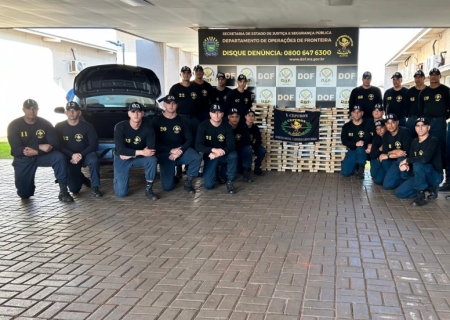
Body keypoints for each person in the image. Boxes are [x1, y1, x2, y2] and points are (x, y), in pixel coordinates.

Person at [7, 99, 73, 202]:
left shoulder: (45, 124)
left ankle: (63, 191)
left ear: (38, 109)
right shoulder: (14, 125)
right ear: (23, 110)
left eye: (34, 108)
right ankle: (28, 185)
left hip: (42, 156)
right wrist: (38, 147)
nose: (31, 111)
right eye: (28, 108)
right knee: (24, 194)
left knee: (58, 157)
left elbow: (55, 144)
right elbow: (16, 149)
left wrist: (38, 152)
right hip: (24, 158)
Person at [152, 95, 202, 193]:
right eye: (169, 103)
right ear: (164, 104)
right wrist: (170, 150)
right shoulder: (156, 121)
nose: (171, 105)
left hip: (180, 152)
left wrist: (181, 150)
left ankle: (188, 183)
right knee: (167, 188)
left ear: (177, 105)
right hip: (165, 154)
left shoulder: (182, 121)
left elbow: (190, 139)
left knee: (196, 157)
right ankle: (172, 178)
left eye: (174, 103)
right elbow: (153, 142)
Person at [55, 101, 102, 197]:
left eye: (74, 110)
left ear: (79, 112)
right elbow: (57, 145)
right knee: (74, 189)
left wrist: (80, 154)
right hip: (69, 157)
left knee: (93, 160)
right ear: (65, 112)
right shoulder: (59, 127)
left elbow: (93, 145)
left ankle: (95, 187)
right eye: (69, 110)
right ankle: (82, 178)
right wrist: (72, 155)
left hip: (85, 154)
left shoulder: (88, 126)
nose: (72, 112)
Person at [113, 102, 158, 200]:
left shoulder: (148, 128)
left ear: (143, 113)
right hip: (122, 159)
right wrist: (141, 152)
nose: (136, 114)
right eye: (133, 112)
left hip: (134, 157)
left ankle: (149, 188)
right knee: (121, 193)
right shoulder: (120, 127)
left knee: (152, 159)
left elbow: (151, 150)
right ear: (128, 113)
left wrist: (130, 154)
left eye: (138, 112)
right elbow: (121, 150)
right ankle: (119, 179)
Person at [395, 117, 443, 206]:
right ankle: (427, 188)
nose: (420, 128)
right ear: (415, 128)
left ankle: (421, 196)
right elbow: (412, 159)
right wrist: (407, 166)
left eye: (423, 126)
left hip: (434, 176)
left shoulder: (433, 140)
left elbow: (425, 159)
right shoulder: (414, 141)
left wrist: (407, 160)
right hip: (420, 175)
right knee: (399, 193)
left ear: (428, 127)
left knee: (418, 164)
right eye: (417, 126)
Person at [419, 68, 450, 192]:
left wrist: (442, 118)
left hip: (439, 123)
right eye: (431, 75)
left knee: (442, 150)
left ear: (439, 76)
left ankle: (446, 179)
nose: (433, 77)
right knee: (426, 148)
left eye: (436, 75)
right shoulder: (424, 92)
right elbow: (420, 109)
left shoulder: (446, 90)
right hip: (427, 123)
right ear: (429, 77)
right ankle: (428, 178)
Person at [196, 104, 238, 193]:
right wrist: (213, 150)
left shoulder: (227, 127)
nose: (217, 115)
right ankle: (216, 173)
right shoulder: (203, 126)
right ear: (210, 114)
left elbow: (231, 145)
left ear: (222, 114)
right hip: (210, 156)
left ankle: (230, 181)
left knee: (233, 155)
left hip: (223, 154)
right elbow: (198, 145)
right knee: (209, 186)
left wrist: (219, 153)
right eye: (214, 112)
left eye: (219, 112)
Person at [168, 66, 200, 178]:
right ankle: (178, 170)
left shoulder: (195, 88)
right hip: (180, 118)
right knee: (179, 141)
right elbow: (170, 104)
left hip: (194, 119)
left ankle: (189, 167)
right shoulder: (175, 88)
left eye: (188, 73)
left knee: (194, 142)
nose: (186, 74)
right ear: (181, 75)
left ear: (191, 74)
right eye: (184, 73)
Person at [379, 114, 413, 190]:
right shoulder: (386, 135)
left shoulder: (405, 132)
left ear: (397, 122)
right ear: (385, 124)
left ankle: (407, 179)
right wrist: (395, 151)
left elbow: (404, 153)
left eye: (393, 122)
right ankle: (399, 180)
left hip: (406, 162)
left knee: (401, 159)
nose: (390, 125)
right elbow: (385, 152)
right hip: (394, 163)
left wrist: (389, 155)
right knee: (387, 186)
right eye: (388, 123)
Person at [340, 105, 366, 179]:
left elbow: (371, 139)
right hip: (352, 151)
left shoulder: (367, 125)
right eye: (354, 112)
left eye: (359, 112)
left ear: (362, 113)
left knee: (360, 148)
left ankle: (361, 171)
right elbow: (344, 141)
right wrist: (355, 144)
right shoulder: (346, 126)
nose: (356, 114)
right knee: (345, 173)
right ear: (352, 113)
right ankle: (354, 165)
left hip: (365, 151)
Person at [227, 108, 253, 182]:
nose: (235, 119)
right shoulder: (224, 125)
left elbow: (247, 140)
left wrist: (236, 147)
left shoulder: (243, 125)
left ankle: (246, 172)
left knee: (248, 149)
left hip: (239, 148)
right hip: (228, 151)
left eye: (236, 117)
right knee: (226, 176)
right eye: (232, 117)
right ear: (228, 117)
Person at [405, 70, 427, 138]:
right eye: (416, 77)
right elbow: (406, 105)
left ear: (424, 78)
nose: (418, 79)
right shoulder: (410, 91)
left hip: (425, 118)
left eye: (420, 77)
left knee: (425, 138)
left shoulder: (428, 90)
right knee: (409, 137)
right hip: (412, 118)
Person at [245, 109, 265, 176]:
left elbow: (259, 140)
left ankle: (257, 167)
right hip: (244, 147)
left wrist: (253, 147)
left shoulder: (255, 127)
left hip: (253, 146)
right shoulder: (242, 127)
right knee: (248, 150)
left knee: (262, 150)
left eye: (252, 116)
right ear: (245, 117)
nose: (251, 117)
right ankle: (246, 169)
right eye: (249, 115)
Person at [369, 120, 387, 185]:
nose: (379, 131)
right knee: (374, 175)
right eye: (377, 129)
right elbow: (372, 155)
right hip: (378, 159)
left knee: (379, 180)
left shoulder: (390, 136)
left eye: (381, 128)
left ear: (386, 127)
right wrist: (380, 149)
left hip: (388, 160)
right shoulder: (376, 138)